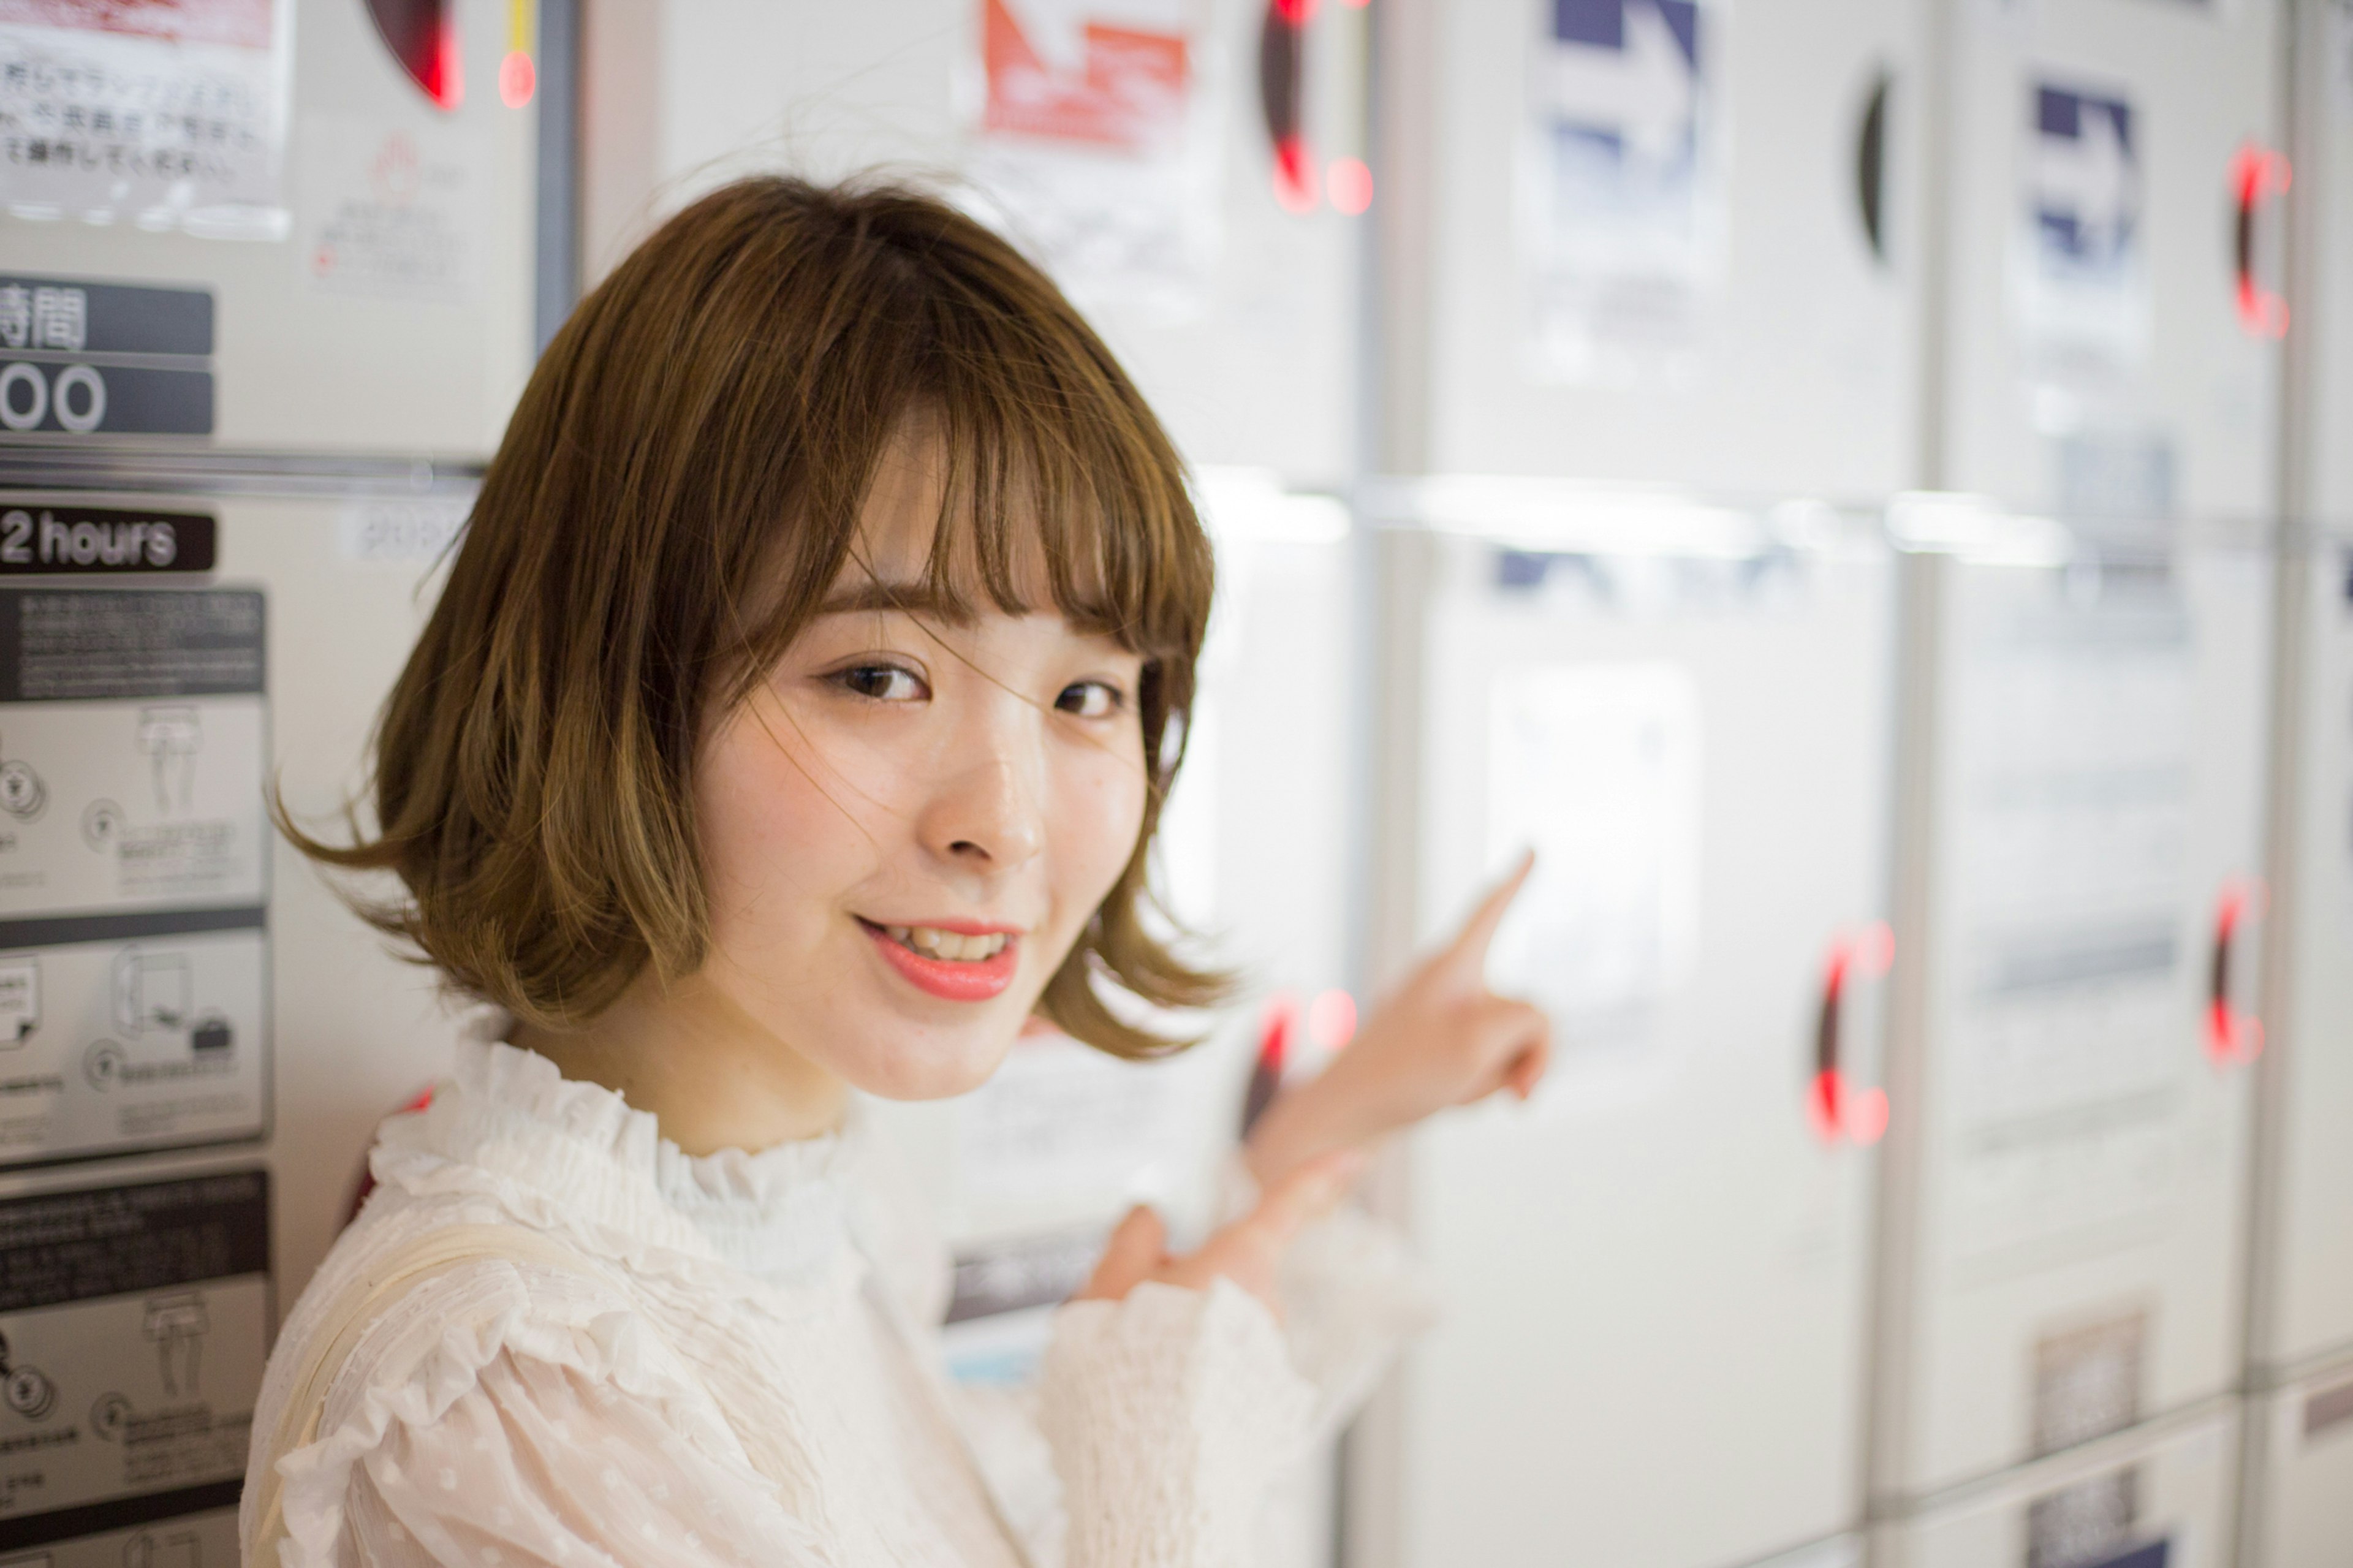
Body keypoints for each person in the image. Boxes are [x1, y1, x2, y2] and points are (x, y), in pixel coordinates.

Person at [244, 176, 1550, 1568]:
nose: (1013, 822)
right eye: (879, 674)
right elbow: (1134, 1501)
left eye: (1088, 694)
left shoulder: (821, 1207)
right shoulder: (512, 1391)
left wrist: (1312, 1143)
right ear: (608, 693)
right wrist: (1166, 1466)